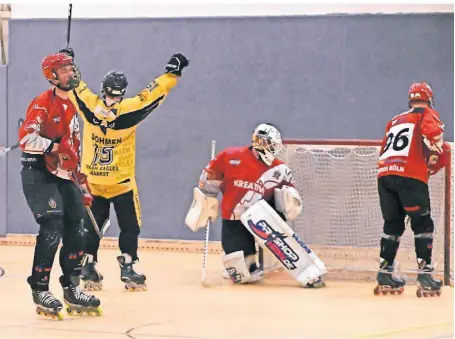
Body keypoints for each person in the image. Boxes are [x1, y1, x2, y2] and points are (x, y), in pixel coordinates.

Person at [59, 48, 189, 291]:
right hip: (122, 183)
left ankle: (88, 266)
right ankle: (128, 266)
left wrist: (68, 62)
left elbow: (76, 85)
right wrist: (173, 72)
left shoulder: (89, 107)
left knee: (92, 227)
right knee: (130, 227)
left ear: (103, 89)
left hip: (93, 182)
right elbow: (153, 93)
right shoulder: (130, 111)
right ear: (121, 93)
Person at [185, 123, 326, 287]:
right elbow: (208, 182)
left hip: (262, 217)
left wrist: (290, 203)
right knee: (244, 275)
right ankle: (240, 259)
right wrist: (207, 201)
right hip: (234, 217)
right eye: (270, 144)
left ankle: (309, 273)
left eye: (275, 145)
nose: (273, 149)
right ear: (260, 142)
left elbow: (288, 194)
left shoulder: (280, 169)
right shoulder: (230, 156)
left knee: (282, 239)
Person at [18, 52, 101, 319]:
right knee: (52, 225)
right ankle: (40, 288)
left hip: (65, 176)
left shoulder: (72, 106)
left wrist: (79, 178)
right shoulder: (43, 103)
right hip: (39, 173)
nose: (71, 73)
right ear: (51, 76)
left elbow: (72, 148)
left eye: (71, 68)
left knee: (77, 228)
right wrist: (53, 146)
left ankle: (72, 287)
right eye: (64, 70)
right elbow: (27, 139)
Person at [375, 82, 449, 297]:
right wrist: (437, 153)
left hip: (385, 175)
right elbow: (433, 135)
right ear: (429, 99)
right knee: (422, 223)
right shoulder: (426, 113)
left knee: (393, 223)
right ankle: (424, 274)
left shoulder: (394, 120)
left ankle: (384, 272)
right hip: (409, 176)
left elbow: (383, 151)